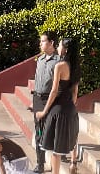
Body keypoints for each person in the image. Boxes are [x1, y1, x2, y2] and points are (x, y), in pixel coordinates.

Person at [36, 38, 81, 174]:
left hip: (58, 109)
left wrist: (44, 112)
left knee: (56, 151)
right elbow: (75, 93)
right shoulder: (76, 67)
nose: (58, 48)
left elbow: (54, 91)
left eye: (60, 46)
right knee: (68, 142)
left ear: (65, 49)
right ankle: (73, 164)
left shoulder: (60, 66)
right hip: (70, 109)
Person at [31, 31, 60, 173]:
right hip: (37, 99)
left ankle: (58, 158)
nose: (40, 44)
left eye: (43, 41)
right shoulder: (40, 60)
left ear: (51, 43)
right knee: (39, 132)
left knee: (51, 132)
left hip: (50, 100)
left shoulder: (58, 62)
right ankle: (40, 163)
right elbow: (37, 80)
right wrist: (34, 101)